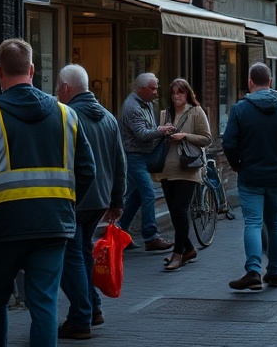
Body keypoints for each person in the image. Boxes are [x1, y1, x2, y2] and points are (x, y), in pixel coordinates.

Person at [0, 39, 96, 347]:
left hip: (4, 226)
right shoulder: (66, 115)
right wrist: (67, 205)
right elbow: (88, 171)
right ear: (32, 69)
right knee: (44, 302)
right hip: (53, 224)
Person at [55, 64, 126, 339]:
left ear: (65, 88)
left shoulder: (67, 116)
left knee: (70, 258)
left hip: (75, 198)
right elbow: (121, 161)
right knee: (83, 252)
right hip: (100, 199)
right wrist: (117, 200)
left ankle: (81, 316)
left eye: (58, 89)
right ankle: (94, 308)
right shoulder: (109, 117)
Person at [222, 62, 277, 292]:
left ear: (250, 82)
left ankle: (254, 271)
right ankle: (275, 273)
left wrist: (237, 164)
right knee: (275, 222)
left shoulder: (240, 109)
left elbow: (229, 143)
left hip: (250, 175)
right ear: (270, 83)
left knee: (253, 223)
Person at [151, 78, 212, 271]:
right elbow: (158, 137)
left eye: (181, 92)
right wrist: (162, 133)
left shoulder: (196, 112)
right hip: (167, 167)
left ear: (188, 94)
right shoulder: (165, 113)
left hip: (187, 167)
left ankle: (178, 254)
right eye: (174, 93)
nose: (177, 96)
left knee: (179, 209)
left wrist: (184, 136)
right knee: (175, 213)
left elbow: (207, 139)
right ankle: (189, 249)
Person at [117, 72, 174, 251]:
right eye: (153, 89)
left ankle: (121, 234)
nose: (156, 92)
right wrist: (161, 131)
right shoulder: (132, 107)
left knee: (135, 198)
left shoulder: (146, 103)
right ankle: (150, 236)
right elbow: (142, 134)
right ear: (141, 89)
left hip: (142, 156)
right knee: (149, 194)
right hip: (134, 157)